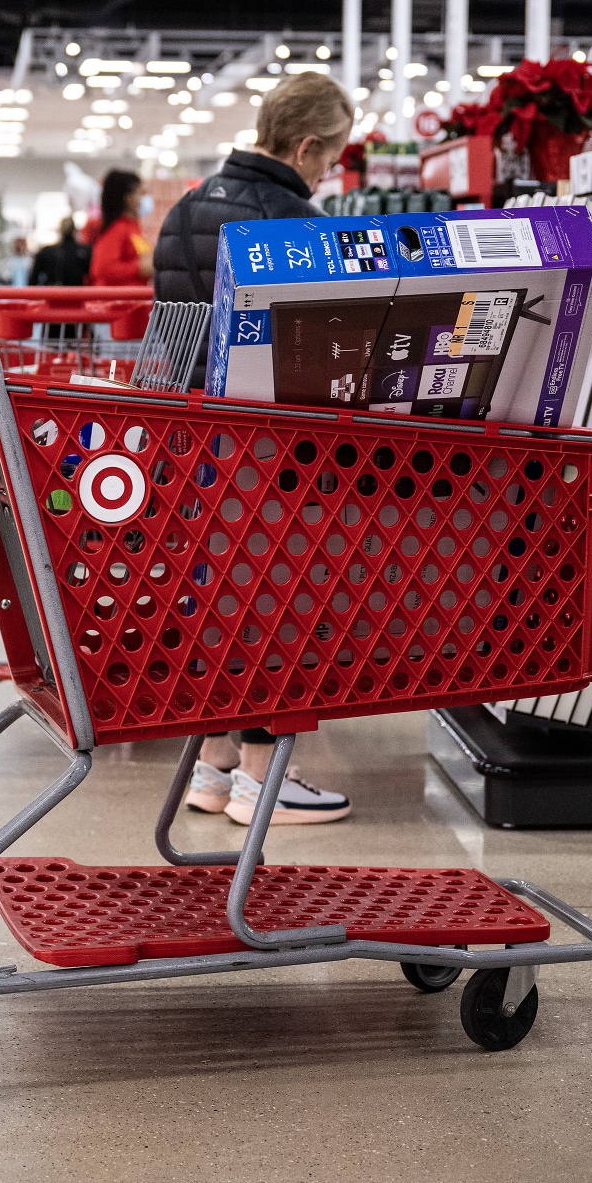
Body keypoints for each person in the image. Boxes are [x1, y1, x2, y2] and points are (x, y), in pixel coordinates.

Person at [152, 71, 357, 826]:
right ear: (305, 145)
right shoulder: (292, 217)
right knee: (283, 598)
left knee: (216, 598)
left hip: (191, 441)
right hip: (267, 449)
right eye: (331, 154)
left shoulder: (184, 208)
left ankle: (214, 767)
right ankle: (268, 777)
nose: (331, 169)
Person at [87, 170, 152, 285]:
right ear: (127, 197)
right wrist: (138, 268)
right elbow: (102, 269)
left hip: (133, 300)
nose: (143, 201)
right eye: (140, 194)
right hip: (117, 301)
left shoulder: (133, 227)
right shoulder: (118, 229)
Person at [30, 216, 89, 288]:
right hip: (77, 296)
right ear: (75, 230)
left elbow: (32, 280)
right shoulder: (85, 252)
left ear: (59, 230)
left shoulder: (46, 252)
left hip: (53, 295)